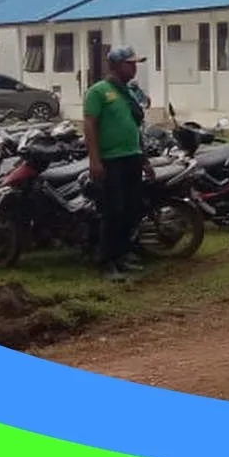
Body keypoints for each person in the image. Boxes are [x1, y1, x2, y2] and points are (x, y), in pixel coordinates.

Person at [83, 46, 154, 282]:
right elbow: (90, 125)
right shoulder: (98, 92)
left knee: (131, 209)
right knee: (113, 212)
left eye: (135, 64)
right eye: (129, 64)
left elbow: (135, 127)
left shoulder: (129, 92)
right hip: (110, 160)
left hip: (131, 157)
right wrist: (94, 159)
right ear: (115, 66)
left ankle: (123, 255)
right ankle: (107, 262)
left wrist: (144, 159)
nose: (134, 68)